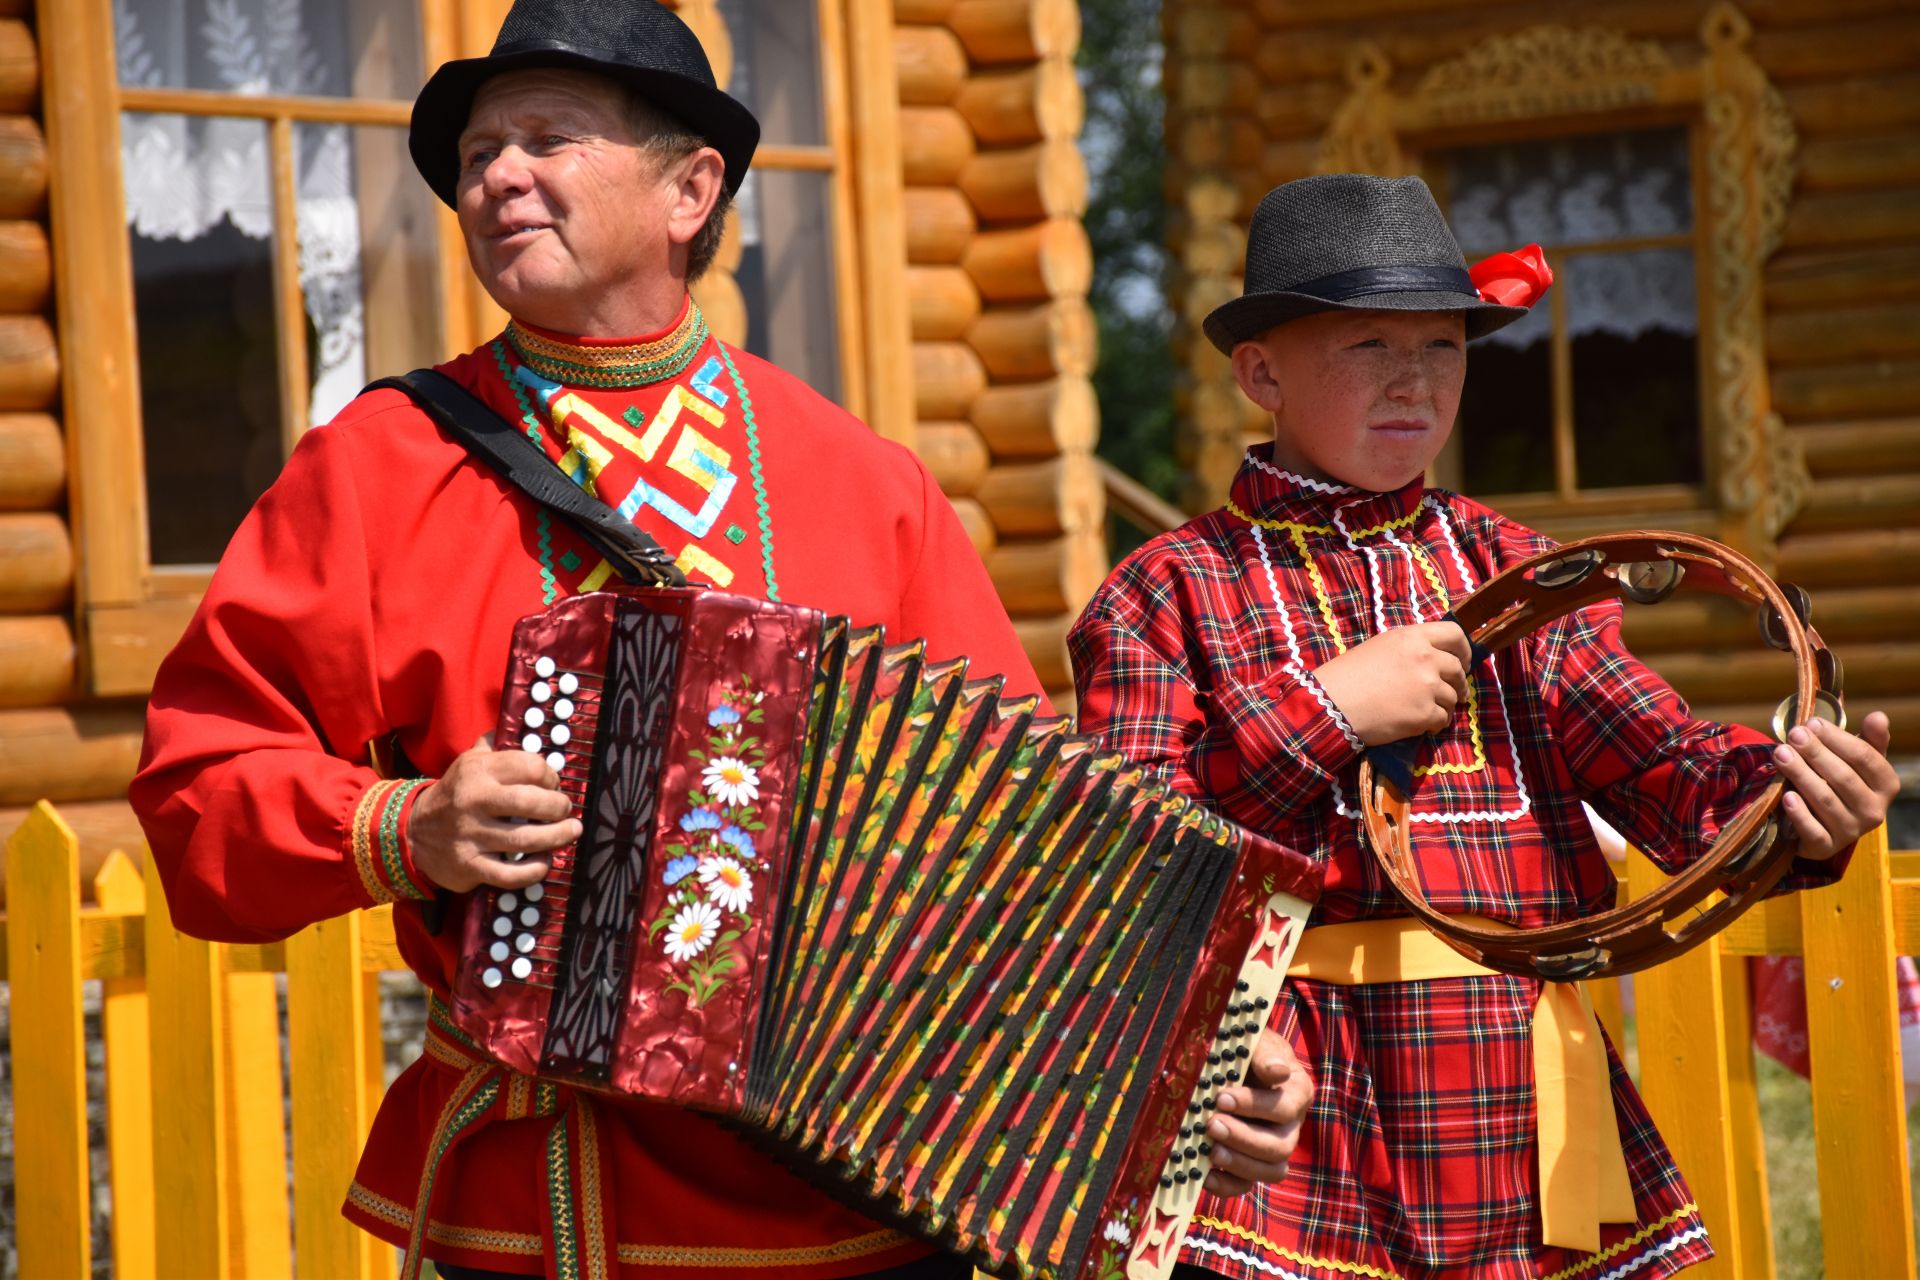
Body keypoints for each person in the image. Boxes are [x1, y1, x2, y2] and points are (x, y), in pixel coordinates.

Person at [131, 3, 1309, 1277]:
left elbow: (1034, 853)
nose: (496, 178)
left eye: (547, 139)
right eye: (478, 154)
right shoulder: (376, 468)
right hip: (552, 1216)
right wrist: (402, 828)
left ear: (691, 187)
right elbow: (200, 787)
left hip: (868, 1213)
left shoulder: (863, 480)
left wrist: (1199, 1051)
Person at [1068, 173, 1900, 1280]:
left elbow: (1663, 764)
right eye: (1369, 345)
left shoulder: (1518, 572)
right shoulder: (1161, 591)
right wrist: (1327, 712)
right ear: (1261, 370)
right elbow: (1130, 862)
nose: (1415, 381)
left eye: (1445, 348)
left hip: (1517, 1103)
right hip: (1282, 1111)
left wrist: (1791, 799)